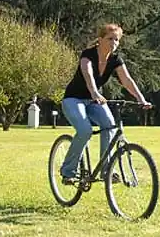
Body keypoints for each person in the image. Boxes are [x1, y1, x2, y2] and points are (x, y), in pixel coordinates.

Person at [59, 23, 152, 185]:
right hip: (73, 99)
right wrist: (95, 93)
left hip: (94, 101)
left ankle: (106, 170)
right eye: (110, 39)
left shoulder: (115, 60)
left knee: (110, 126)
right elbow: (88, 74)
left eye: (116, 40)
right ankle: (68, 171)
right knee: (85, 130)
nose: (113, 43)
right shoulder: (88, 54)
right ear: (100, 39)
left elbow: (127, 80)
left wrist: (141, 99)